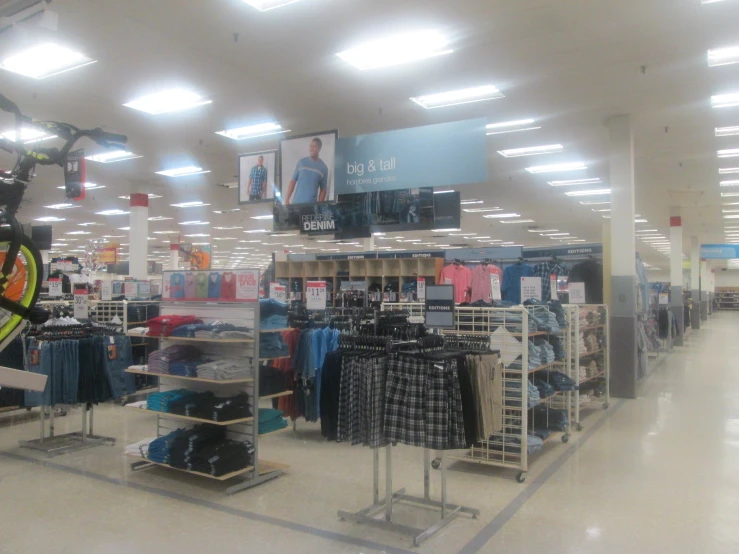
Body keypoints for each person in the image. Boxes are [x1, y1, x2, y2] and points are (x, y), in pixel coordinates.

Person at [285, 137, 329, 204]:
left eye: (314, 147)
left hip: (311, 206)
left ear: (319, 149)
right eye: (310, 146)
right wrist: (287, 199)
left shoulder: (323, 168)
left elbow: (323, 189)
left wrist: (320, 206)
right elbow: (292, 181)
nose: (311, 149)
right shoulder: (301, 162)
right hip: (296, 204)